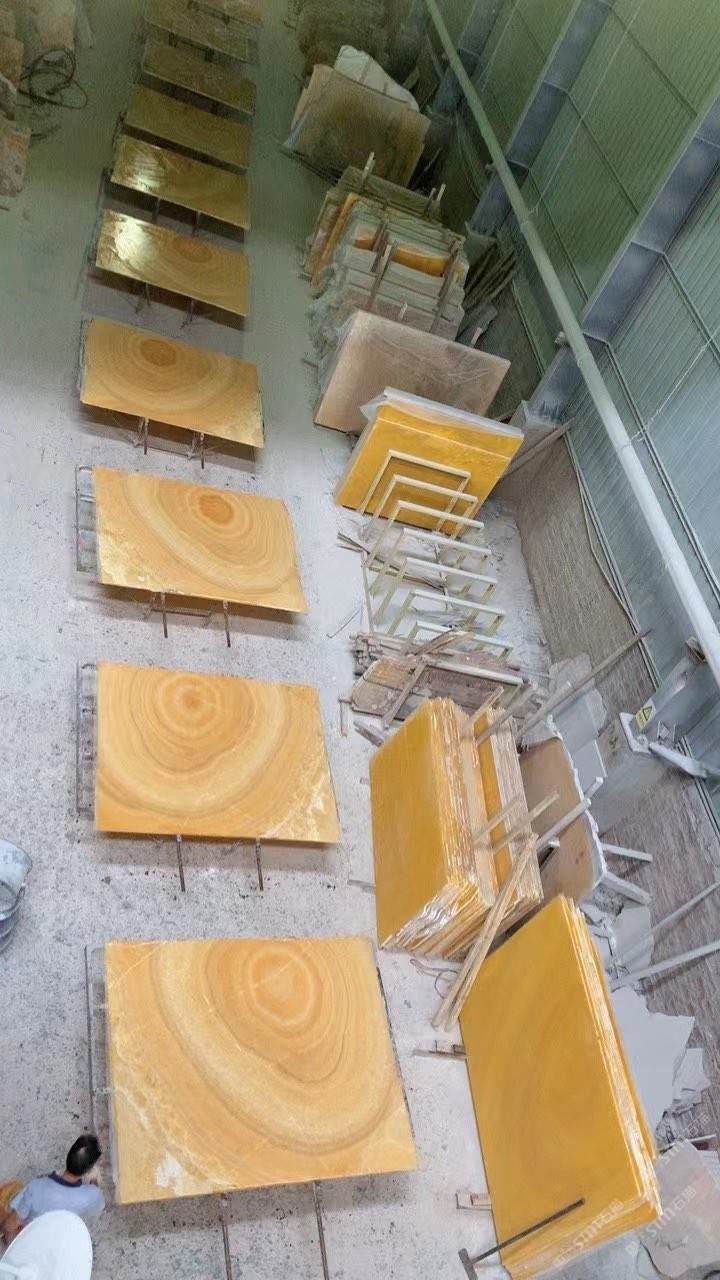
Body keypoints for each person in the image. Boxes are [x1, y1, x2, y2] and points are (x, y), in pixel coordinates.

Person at [0, 1134, 105, 1244]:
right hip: (55, 1244)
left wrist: (7, 1227)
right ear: (88, 1170)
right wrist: (93, 1180)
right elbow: (99, 1206)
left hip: (29, 1242)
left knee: (14, 1197)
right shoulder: (93, 1195)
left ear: (68, 1156)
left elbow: (11, 1225)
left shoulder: (37, 1186)